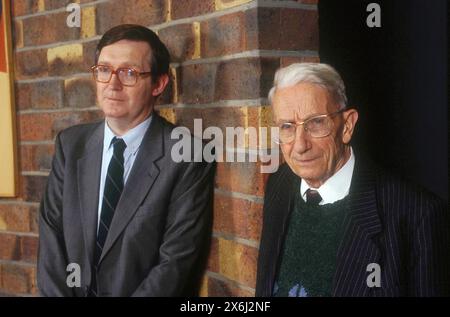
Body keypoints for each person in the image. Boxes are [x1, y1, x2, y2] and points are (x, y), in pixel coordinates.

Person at [37, 24, 215, 297]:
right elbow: (52, 241)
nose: (113, 84)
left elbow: (174, 264)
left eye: (129, 73)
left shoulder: (187, 155)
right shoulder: (70, 145)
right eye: (104, 70)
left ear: (159, 84)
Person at [256, 63, 449, 297]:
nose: (299, 146)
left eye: (316, 123)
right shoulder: (279, 185)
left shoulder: (417, 214)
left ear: (347, 126)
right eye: (287, 126)